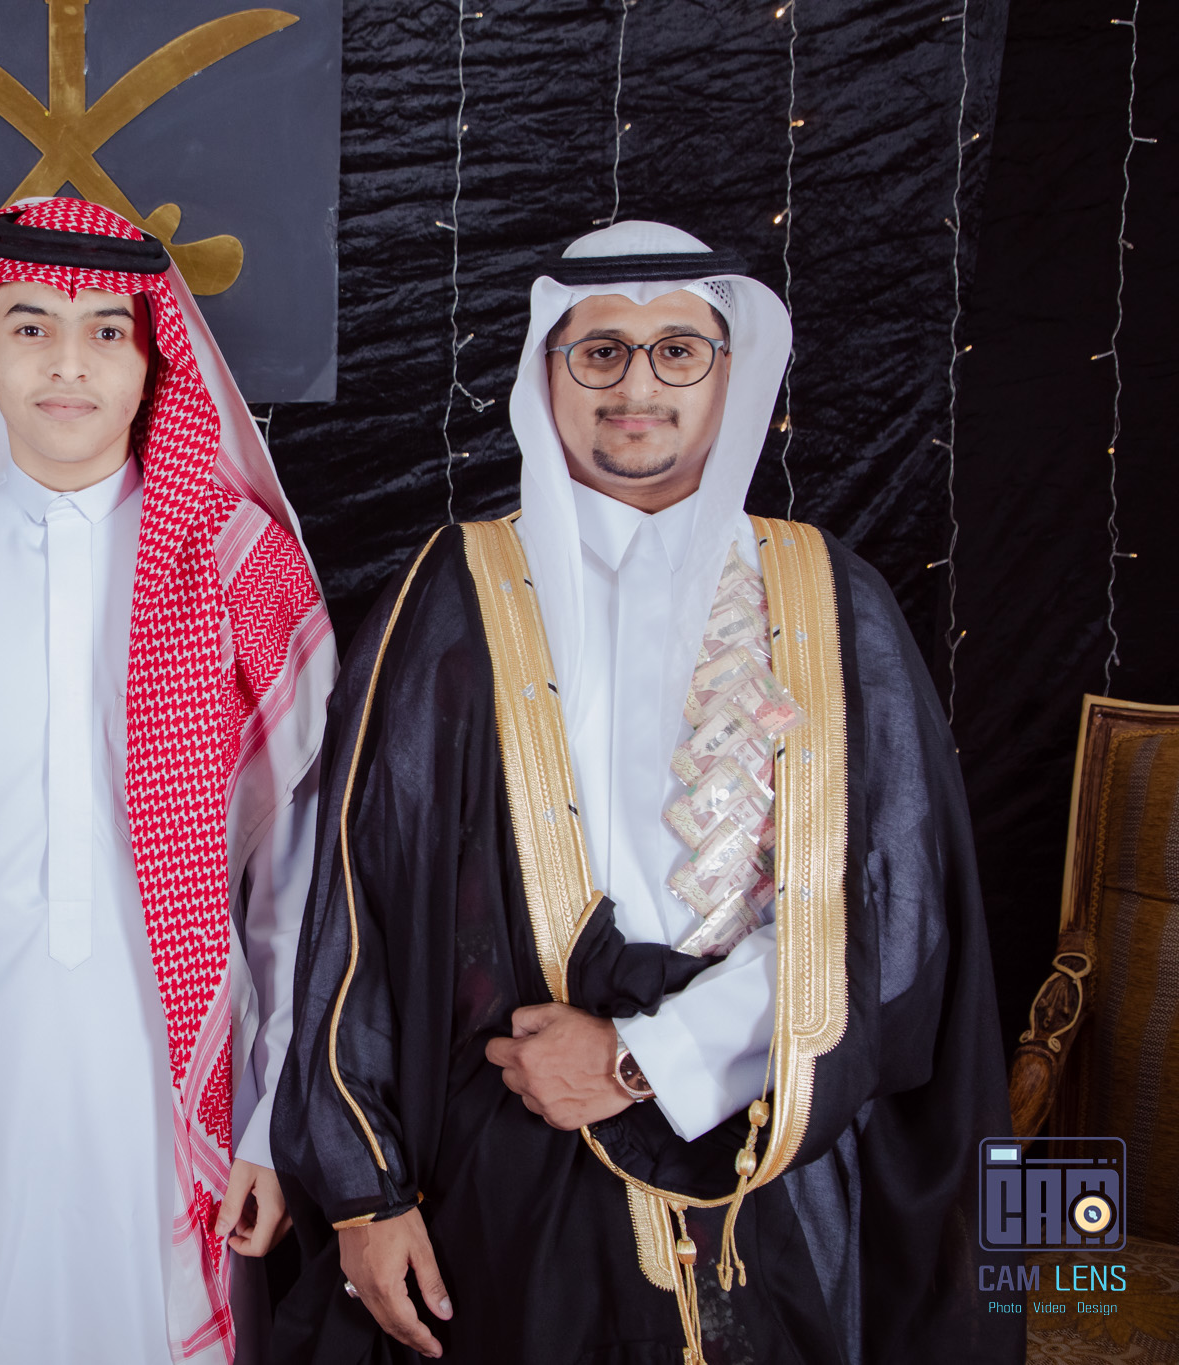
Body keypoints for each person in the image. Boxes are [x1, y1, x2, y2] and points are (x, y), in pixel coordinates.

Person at [272, 221, 1018, 1364]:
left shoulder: (826, 597)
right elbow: (358, 911)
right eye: (599, 352)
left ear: (726, 377)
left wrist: (640, 1060)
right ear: (546, 375)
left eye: (676, 351)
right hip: (501, 1155)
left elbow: (894, 913)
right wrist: (363, 1193)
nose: (635, 387)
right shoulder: (454, 591)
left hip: (773, 1151)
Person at [0, 197, 335, 1363]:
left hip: (174, 1065)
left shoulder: (235, 561)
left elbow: (300, 869)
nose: (66, 364)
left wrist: (272, 1122)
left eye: (105, 331)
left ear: (151, 357)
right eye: (29, 327)